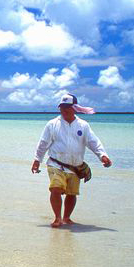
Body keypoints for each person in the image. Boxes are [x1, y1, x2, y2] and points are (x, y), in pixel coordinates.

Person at [31, 94, 112, 227]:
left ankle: (66, 217)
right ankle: (57, 218)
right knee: (55, 189)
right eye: (62, 107)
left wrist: (102, 155)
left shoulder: (83, 125)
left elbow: (93, 142)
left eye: (67, 107)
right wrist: (37, 160)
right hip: (55, 163)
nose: (64, 110)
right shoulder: (52, 124)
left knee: (71, 193)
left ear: (75, 108)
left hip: (75, 166)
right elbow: (43, 143)